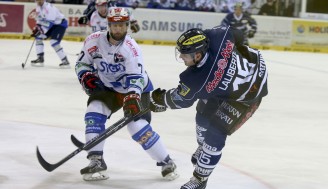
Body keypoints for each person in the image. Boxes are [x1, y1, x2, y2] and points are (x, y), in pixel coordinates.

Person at [149, 26, 268, 189]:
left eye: (184, 54)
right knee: (202, 115)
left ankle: (199, 180)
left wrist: (160, 99)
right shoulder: (218, 36)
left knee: (215, 134)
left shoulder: (194, 80)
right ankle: (202, 148)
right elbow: (238, 34)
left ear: (197, 55)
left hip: (246, 98)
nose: (181, 57)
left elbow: (181, 100)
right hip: (250, 68)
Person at [74, 7, 179, 181]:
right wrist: (85, 76)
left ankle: (166, 162)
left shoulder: (131, 48)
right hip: (108, 88)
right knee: (93, 113)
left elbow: (136, 77)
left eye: (122, 25)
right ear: (108, 25)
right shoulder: (93, 41)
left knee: (136, 127)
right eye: (115, 26)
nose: (118, 29)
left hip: (136, 90)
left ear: (127, 25)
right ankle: (96, 160)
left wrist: (132, 96)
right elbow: (81, 64)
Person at [30, 0, 70, 68]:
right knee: (38, 36)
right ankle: (40, 59)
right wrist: (37, 29)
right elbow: (39, 20)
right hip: (53, 24)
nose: (38, 1)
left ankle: (65, 62)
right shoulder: (38, 7)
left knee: (54, 42)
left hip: (60, 24)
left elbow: (49, 23)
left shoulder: (49, 8)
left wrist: (41, 30)